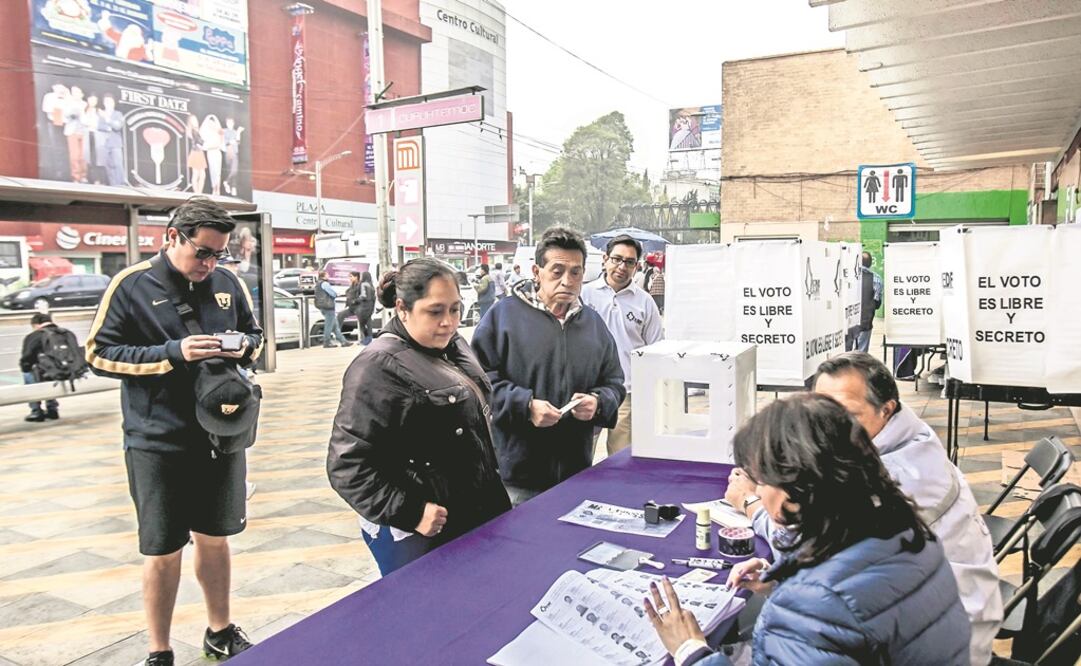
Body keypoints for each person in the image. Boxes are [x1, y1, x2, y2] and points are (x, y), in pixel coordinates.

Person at [647, 394, 971, 666]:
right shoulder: (903, 528)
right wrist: (788, 578)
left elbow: (833, 614)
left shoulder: (817, 604)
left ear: (798, 487)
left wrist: (689, 650)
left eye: (760, 480)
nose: (757, 493)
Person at [84, 196, 264, 665]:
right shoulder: (131, 285)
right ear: (172, 237)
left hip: (222, 433)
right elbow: (99, 355)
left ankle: (220, 630)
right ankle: (159, 649)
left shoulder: (228, 283)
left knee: (215, 537)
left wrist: (244, 346)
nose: (210, 263)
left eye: (219, 253)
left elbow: (255, 337)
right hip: (156, 439)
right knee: (162, 549)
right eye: (202, 252)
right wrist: (174, 352)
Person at [812, 352, 1001, 664]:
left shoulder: (897, 477)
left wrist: (754, 505)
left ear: (886, 409)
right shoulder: (903, 430)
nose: (827, 427)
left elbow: (817, 545)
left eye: (847, 415)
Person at [327, 258, 511, 575]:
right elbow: (347, 466)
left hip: (474, 513)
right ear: (402, 308)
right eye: (435, 311)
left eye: (455, 309)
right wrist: (412, 513)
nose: (449, 322)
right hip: (421, 534)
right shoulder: (377, 366)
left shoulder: (453, 344)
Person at [471, 227, 626, 506]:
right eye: (557, 271)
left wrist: (598, 402)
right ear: (536, 271)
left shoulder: (593, 325)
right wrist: (525, 406)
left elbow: (614, 382)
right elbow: (478, 384)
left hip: (576, 474)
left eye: (576, 272)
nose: (567, 280)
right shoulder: (503, 318)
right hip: (516, 479)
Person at [581, 234, 662, 454]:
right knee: (579, 458)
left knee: (621, 459)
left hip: (626, 393)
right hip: (587, 391)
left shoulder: (645, 302)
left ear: (636, 266)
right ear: (605, 259)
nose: (621, 266)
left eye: (629, 262)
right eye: (616, 259)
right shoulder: (583, 295)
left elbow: (655, 350)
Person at [19, 313, 63, 422]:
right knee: (49, 374)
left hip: (45, 373)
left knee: (29, 372)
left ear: (36, 325)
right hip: (65, 372)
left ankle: (36, 411)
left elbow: (26, 358)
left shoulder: (34, 336)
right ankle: (52, 409)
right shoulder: (64, 333)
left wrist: (25, 368)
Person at [853, 251, 882, 352]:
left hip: (849, 321)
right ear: (870, 263)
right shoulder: (876, 278)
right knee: (861, 353)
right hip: (866, 320)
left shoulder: (849, 276)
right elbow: (877, 303)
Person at [315, 272, 351, 348]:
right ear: (324, 276)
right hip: (328, 306)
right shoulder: (325, 284)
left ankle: (343, 341)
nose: (328, 275)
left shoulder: (318, 284)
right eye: (327, 274)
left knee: (335, 326)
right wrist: (336, 294)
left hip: (322, 306)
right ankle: (326, 342)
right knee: (329, 326)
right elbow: (332, 293)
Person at [356, 271, 376, 344]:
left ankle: (364, 339)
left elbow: (363, 296)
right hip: (370, 306)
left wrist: (356, 300)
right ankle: (369, 339)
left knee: (362, 323)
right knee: (369, 322)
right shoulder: (371, 285)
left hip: (364, 306)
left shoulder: (363, 284)